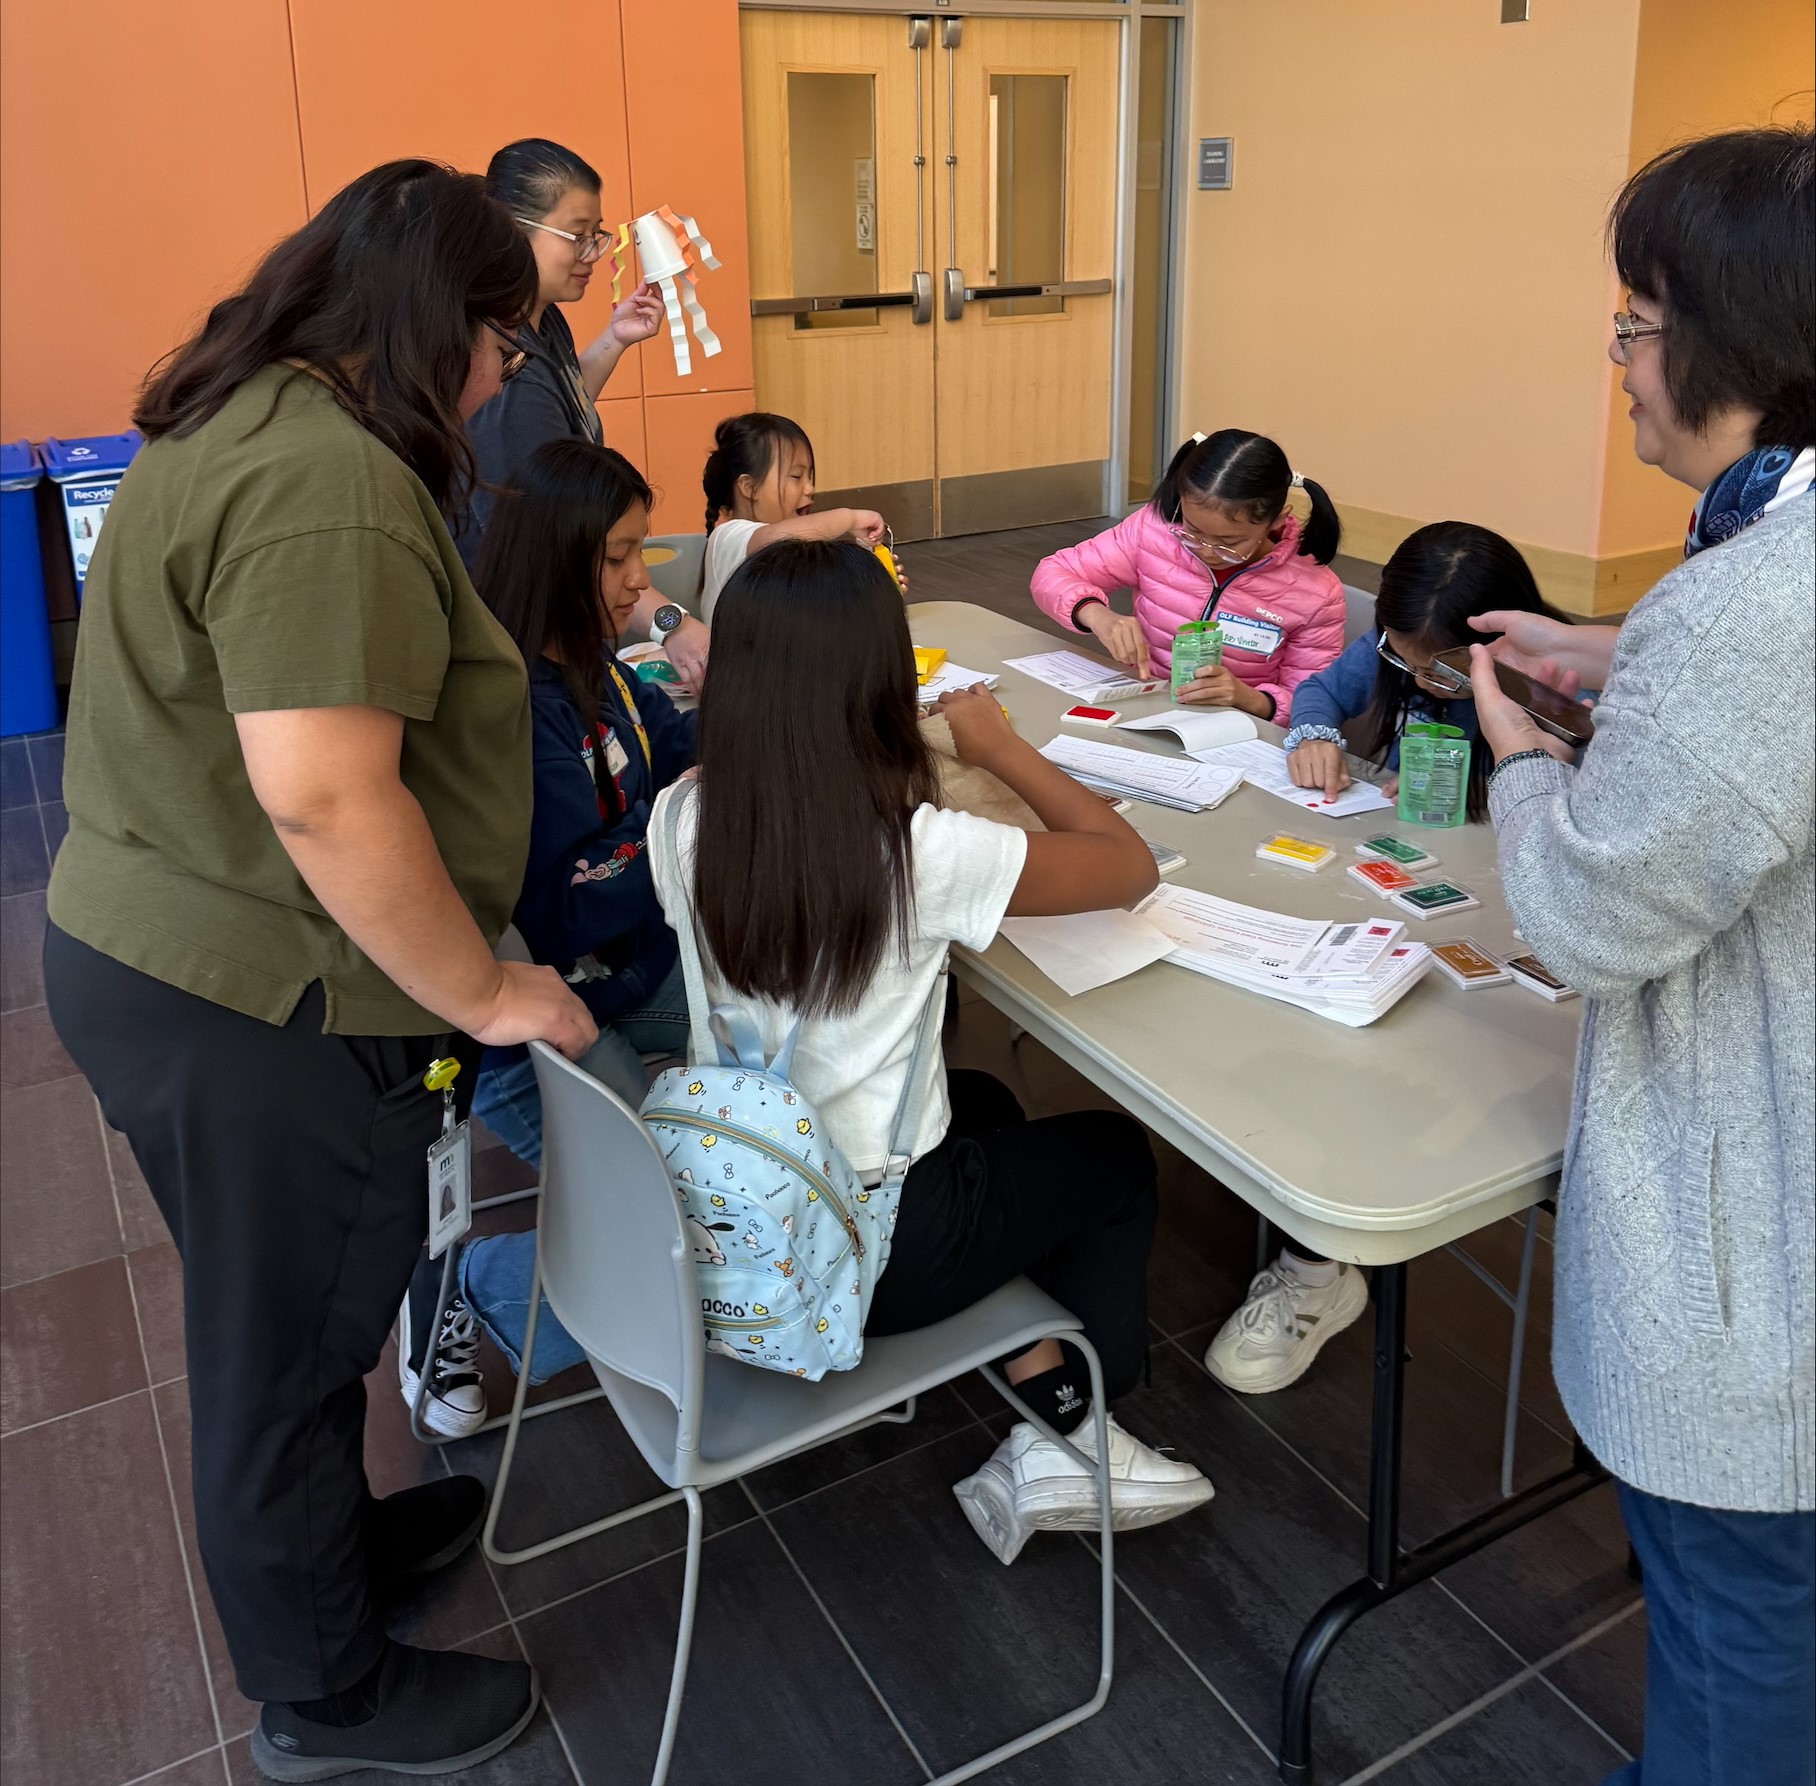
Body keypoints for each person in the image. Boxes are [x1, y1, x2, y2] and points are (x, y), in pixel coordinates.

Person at [41, 162, 598, 1779]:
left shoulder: (243, 412)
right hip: (257, 998)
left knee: (282, 1321)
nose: (504, 376)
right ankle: (326, 1696)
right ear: (442, 322)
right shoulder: (326, 481)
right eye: (504, 338)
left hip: (175, 955)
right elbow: (325, 792)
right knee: (277, 1357)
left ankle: (331, 1557)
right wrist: (487, 993)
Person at [450, 538, 1216, 1564]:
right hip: (868, 1254)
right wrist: (996, 748)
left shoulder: (684, 816)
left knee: (985, 1102)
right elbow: (1125, 868)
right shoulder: (915, 848)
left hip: (747, 1187)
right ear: (873, 680)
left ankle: (1037, 1362)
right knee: (1116, 1162)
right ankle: (1076, 1442)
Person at [1467, 126, 1813, 1786]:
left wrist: (1523, 753)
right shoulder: (1754, 569)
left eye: (1630, 322)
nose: (1616, 364)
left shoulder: (1755, 610)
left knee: (1737, 1615)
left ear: (1729, 339)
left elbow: (1591, 917)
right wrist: (1612, 650)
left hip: (1764, 1282)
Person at [400, 439, 697, 1437]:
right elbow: (566, 904)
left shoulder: (601, 674)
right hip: (532, 1028)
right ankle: (469, 1282)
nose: (637, 579)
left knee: (796, 1014)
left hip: (626, 972)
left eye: (639, 551)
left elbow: (677, 741)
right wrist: (670, 820)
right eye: (616, 556)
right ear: (557, 556)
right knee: (682, 1214)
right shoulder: (507, 706)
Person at [464, 137, 712, 692]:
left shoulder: (541, 320)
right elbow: (563, 536)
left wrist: (612, 342)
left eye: (597, 235)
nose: (594, 253)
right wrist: (672, 623)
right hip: (523, 640)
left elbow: (560, 404)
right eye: (576, 236)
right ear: (509, 227)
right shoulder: (502, 365)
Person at [1029, 428, 1346, 718]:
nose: (1207, 551)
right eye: (1192, 532)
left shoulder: (1315, 592)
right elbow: (1053, 573)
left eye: (1228, 543)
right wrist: (1096, 615)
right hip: (1143, 706)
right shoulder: (1155, 530)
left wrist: (1248, 698)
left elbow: (1313, 703)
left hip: (1235, 729)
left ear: (1276, 522)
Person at [1281, 520, 1567, 817]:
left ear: (1501, 644)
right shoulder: (1395, 644)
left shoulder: (1559, 688)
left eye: (1443, 675)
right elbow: (1322, 691)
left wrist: (1469, 789)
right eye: (1407, 665)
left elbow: (1582, 803)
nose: (1420, 682)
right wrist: (1314, 737)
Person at [698, 411, 890, 619]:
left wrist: (877, 585)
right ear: (748, 486)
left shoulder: (794, 550)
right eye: (796, 476)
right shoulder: (728, 536)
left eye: (809, 476)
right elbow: (773, 538)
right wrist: (850, 518)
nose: (809, 488)